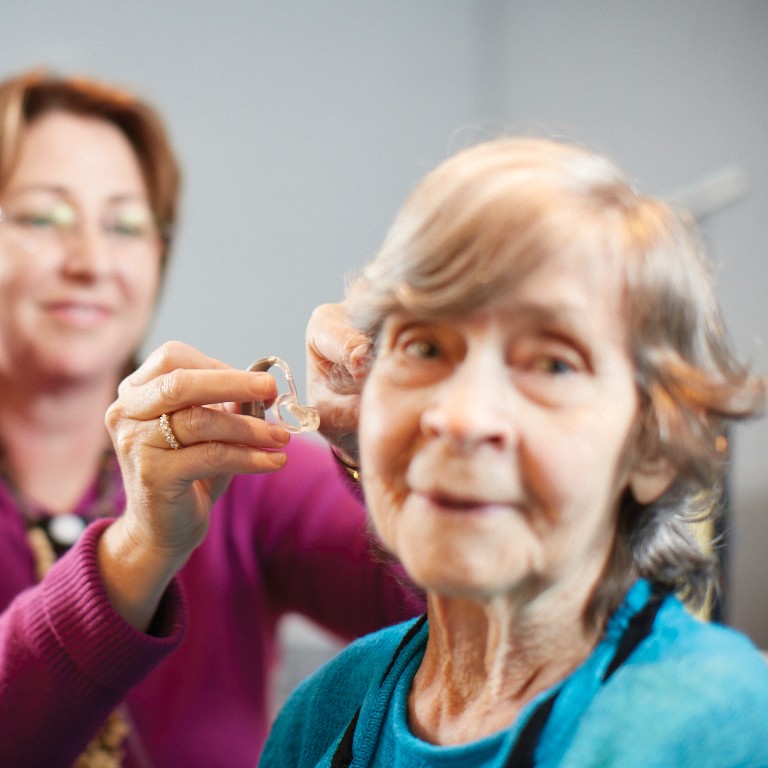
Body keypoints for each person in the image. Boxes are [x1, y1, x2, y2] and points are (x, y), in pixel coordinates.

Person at [259, 136, 768, 766]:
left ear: (654, 446)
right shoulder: (323, 718)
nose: (462, 417)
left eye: (552, 364)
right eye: (424, 347)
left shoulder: (721, 728)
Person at [0, 69, 422, 767]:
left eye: (127, 225)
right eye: (44, 217)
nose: (92, 261)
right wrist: (138, 551)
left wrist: (388, 457)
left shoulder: (232, 473)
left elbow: (478, 614)